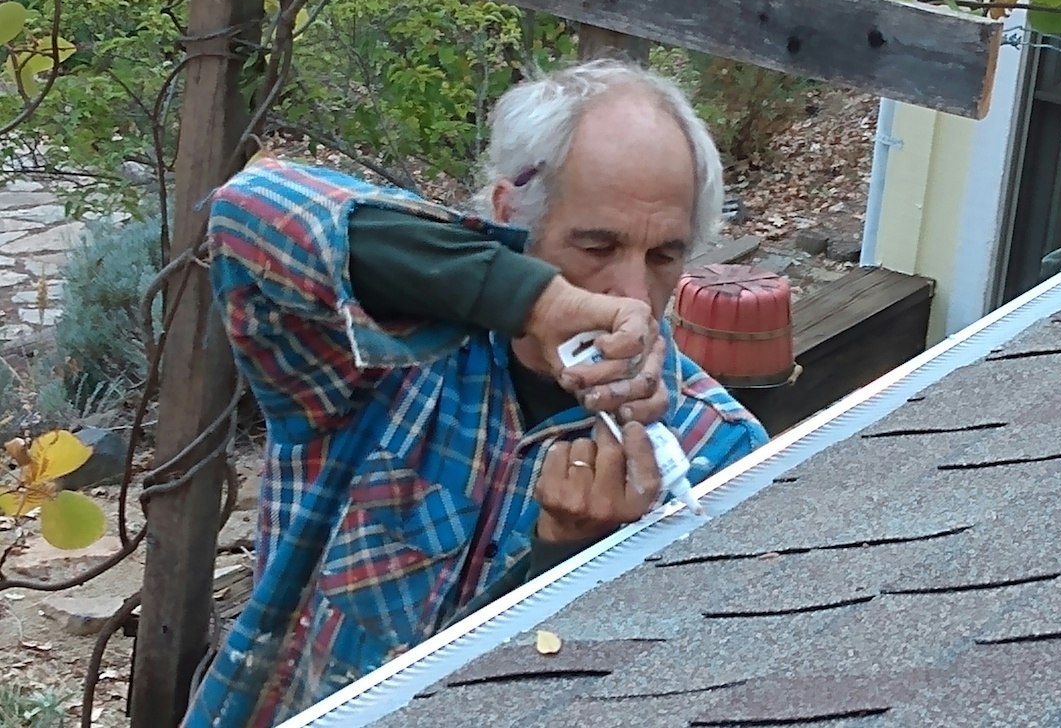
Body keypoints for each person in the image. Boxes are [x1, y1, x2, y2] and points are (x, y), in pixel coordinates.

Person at [184, 60, 769, 728]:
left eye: (663, 255)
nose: (632, 296)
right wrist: (531, 300)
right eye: (597, 247)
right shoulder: (387, 351)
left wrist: (571, 558)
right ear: (509, 216)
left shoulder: (715, 454)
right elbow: (245, 210)